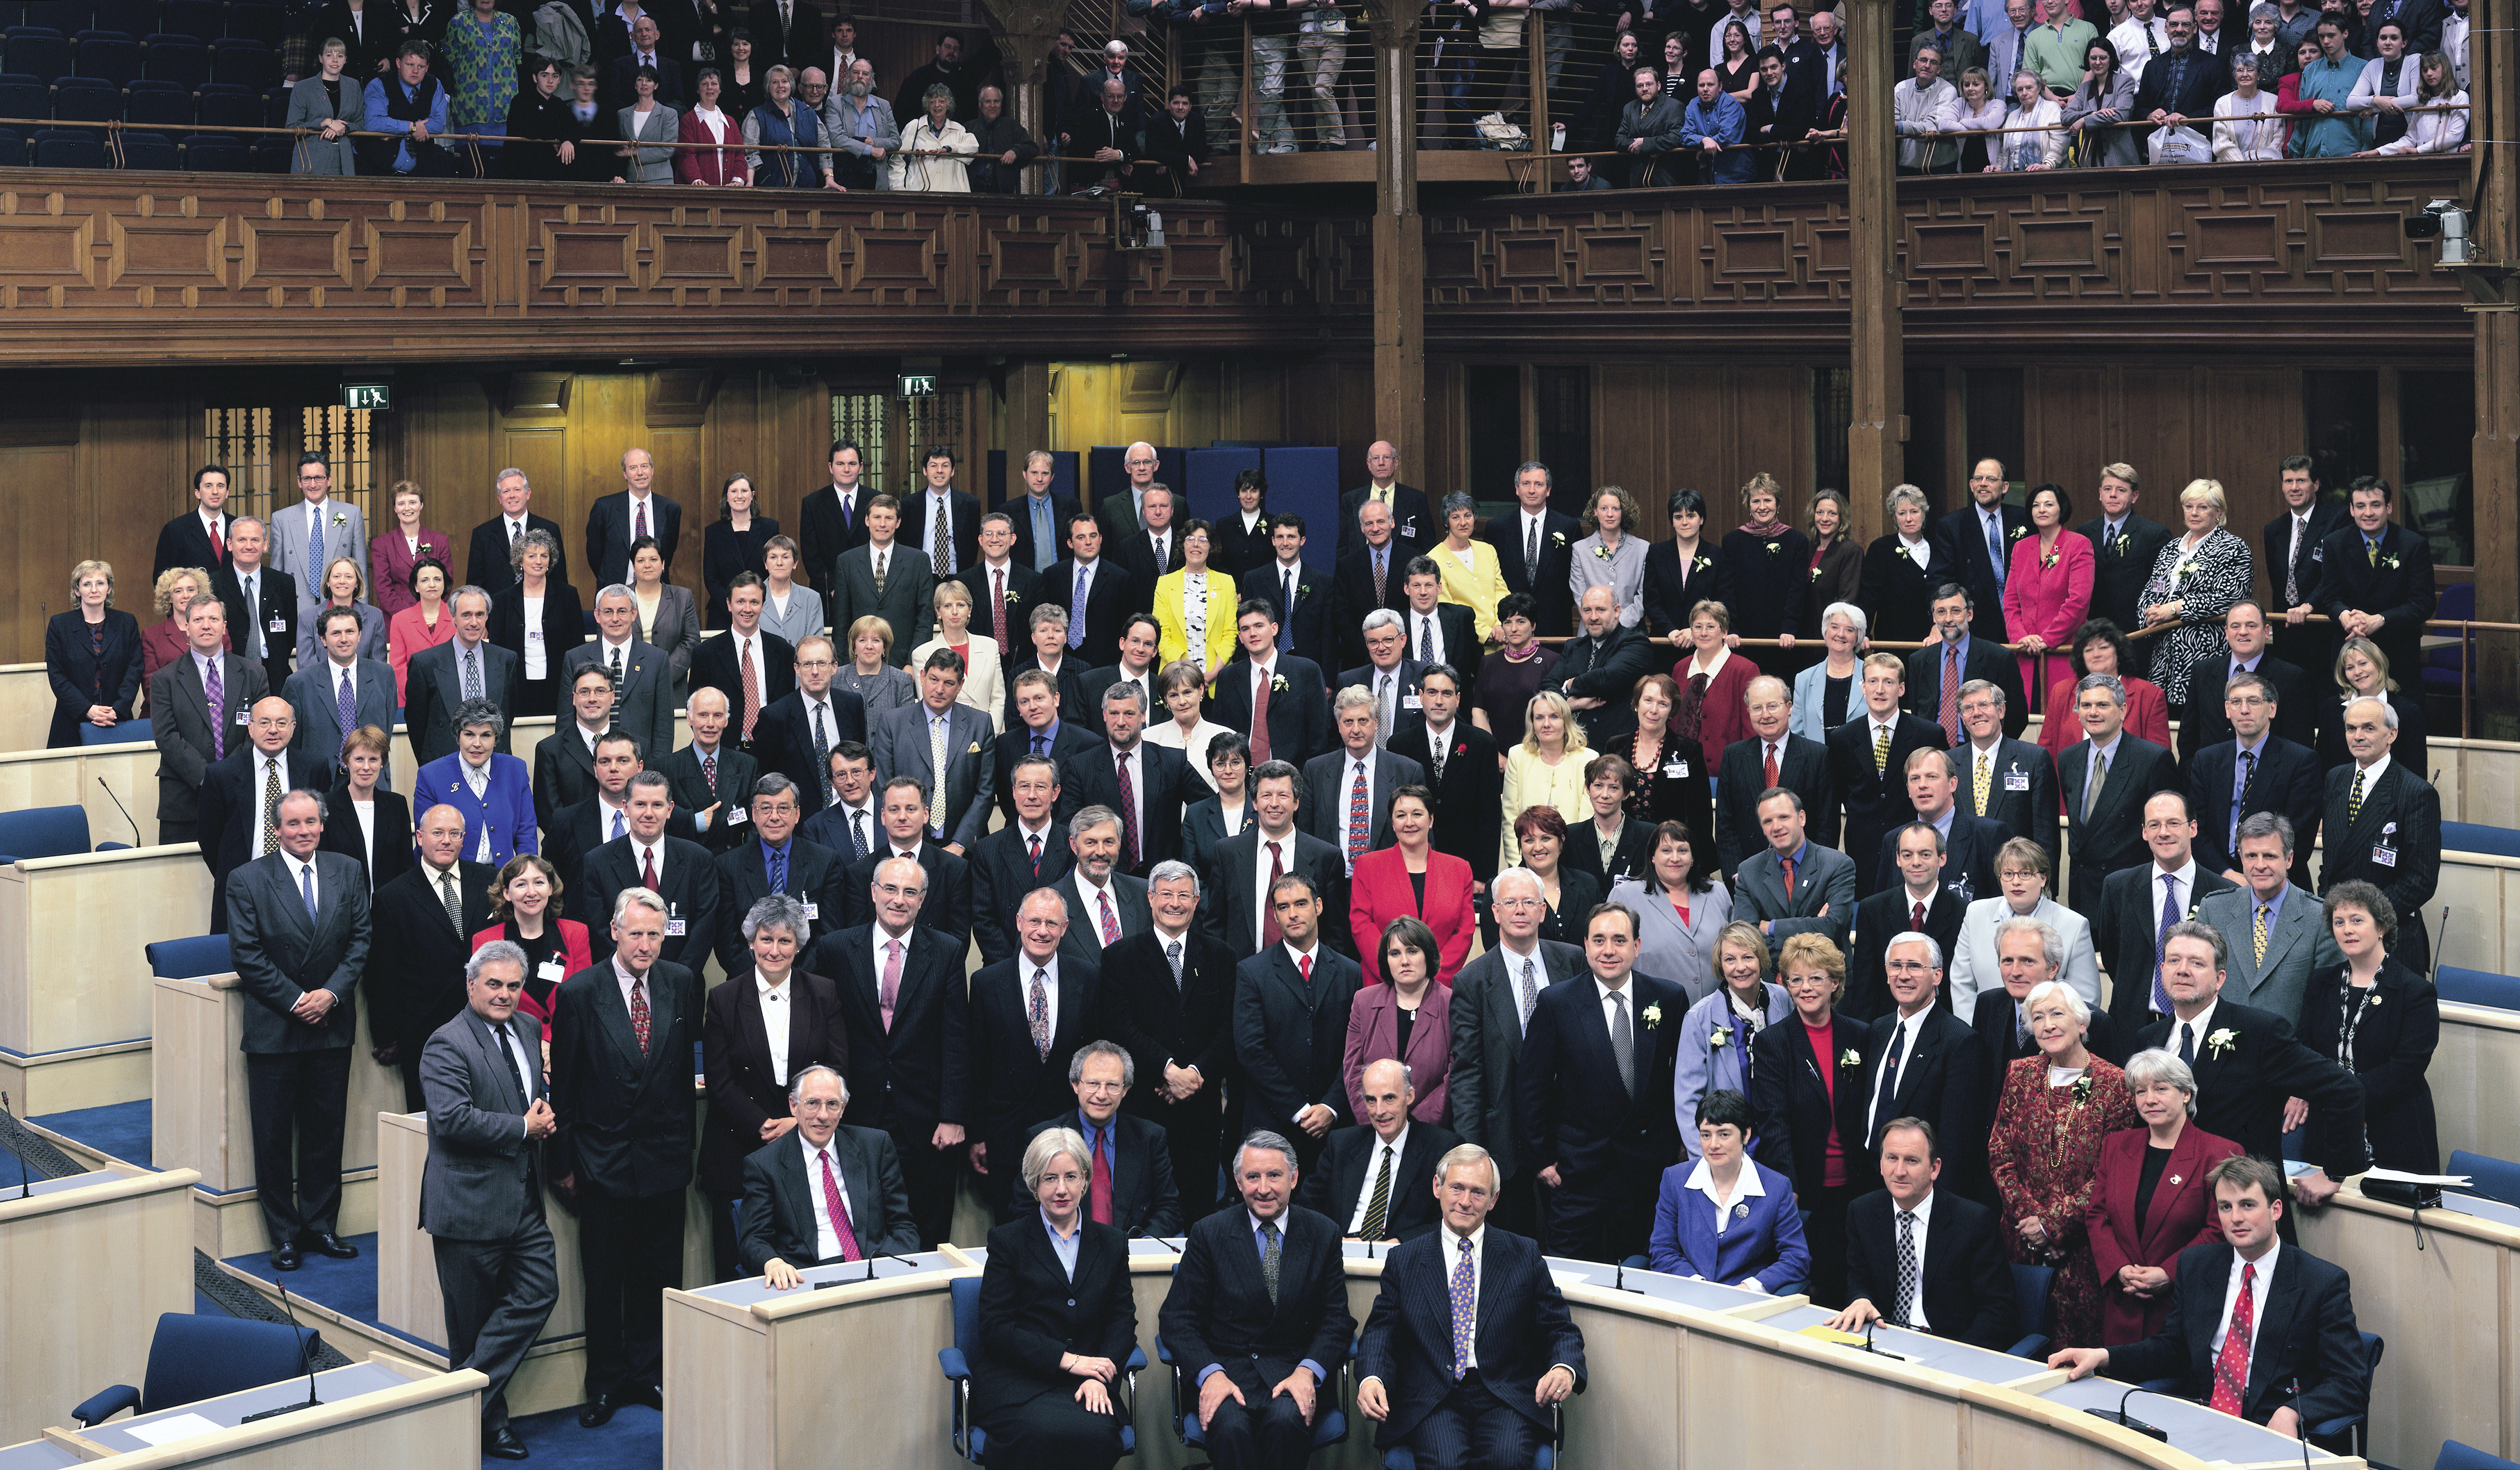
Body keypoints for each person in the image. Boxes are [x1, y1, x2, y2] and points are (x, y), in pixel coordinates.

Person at [2048, 1155, 2371, 1436]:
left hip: (2267, 1429)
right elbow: (2173, 1348)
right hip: (2199, 1421)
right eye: (2225, 1207)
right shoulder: (2198, 1265)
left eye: (2248, 1205)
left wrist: (2292, 1412)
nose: (2236, 1218)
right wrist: (2103, 1356)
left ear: (2276, 1210)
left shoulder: (2322, 1282)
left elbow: (2349, 1382)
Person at [551, 888, 702, 1423]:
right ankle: (606, 1383)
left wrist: (685, 1148)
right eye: (635, 932)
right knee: (606, 1278)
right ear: (613, 931)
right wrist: (564, 1166)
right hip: (602, 1161)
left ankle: (649, 1373)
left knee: (659, 1274)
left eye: (654, 934)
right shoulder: (579, 993)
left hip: (663, 1160)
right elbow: (564, 1090)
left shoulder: (683, 983)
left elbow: (683, 1076)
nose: (645, 943)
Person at [1354, 1142, 1585, 1466]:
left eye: (1478, 1192)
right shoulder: (1405, 1259)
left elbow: (1560, 1329)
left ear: (1493, 1201)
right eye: (1457, 1188)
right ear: (1438, 1187)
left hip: (1506, 1395)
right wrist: (1372, 1378)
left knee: (1508, 1459)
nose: (1465, 1201)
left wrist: (1564, 1368)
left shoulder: (1523, 1254)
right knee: (1446, 1464)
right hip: (1435, 1396)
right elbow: (1381, 1332)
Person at [418, 942, 560, 1462]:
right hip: (467, 1204)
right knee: (471, 1324)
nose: (505, 994)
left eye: (514, 985)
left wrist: (542, 1107)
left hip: (522, 1199)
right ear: (472, 985)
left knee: (540, 1290)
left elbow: (528, 1093)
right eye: (494, 984)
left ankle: (456, 1402)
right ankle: (486, 1424)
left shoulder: (526, 1028)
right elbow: (453, 1118)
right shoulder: (446, 1043)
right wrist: (525, 1126)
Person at [228, 788, 371, 1272]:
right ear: (277, 829)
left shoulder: (348, 870)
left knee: (325, 1133)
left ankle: (321, 1226)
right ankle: (284, 1235)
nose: (303, 830)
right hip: (276, 1028)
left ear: (322, 824)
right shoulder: (247, 879)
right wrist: (296, 1000)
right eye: (293, 823)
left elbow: (361, 940)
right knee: (272, 1138)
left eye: (311, 821)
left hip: (332, 1022)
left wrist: (330, 994)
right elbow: (247, 955)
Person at [1156, 1131, 1356, 1470]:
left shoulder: (1323, 1233)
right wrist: (1211, 1374)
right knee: (1232, 1428)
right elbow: (1178, 1319)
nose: (1263, 1188)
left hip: (1293, 1371)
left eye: (1274, 1175)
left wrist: (1309, 1372)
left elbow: (1336, 1319)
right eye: (1253, 1177)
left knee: (1284, 1423)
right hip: (1228, 1371)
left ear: (1294, 1177)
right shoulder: (1209, 1233)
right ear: (1237, 1180)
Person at [1519, 902, 1687, 1263]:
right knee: (1569, 1279)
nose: (1608, 950)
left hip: (1647, 1173)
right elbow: (1533, 1088)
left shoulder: (1669, 999)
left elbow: (1680, 1082)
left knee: (1644, 1277)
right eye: (1599, 940)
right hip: (1578, 1173)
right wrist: (1542, 1160)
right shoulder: (1557, 1002)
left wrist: (1676, 1148)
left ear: (1637, 947)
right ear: (1586, 945)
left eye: (1619, 940)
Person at [965, 1127, 1139, 1470]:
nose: (1062, 1190)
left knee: (1096, 1434)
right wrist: (1071, 1361)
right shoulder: (1007, 1241)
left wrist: (1098, 1376)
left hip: (1088, 1385)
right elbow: (996, 1328)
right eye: (1050, 1179)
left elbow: (1122, 1322)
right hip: (1017, 1384)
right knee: (1042, 1432)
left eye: (1071, 1177)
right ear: (1034, 1185)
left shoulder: (1113, 1242)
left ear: (1085, 1180)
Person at [1988, 980, 2139, 1345]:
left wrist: (2053, 1226)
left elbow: (2111, 1171)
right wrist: (2033, 1225)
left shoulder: (2115, 1083)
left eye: (2057, 1014)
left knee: (2076, 1350)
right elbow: (2000, 1153)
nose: (2048, 1024)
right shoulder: (2020, 1074)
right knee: (2020, 1339)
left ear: (2082, 1024)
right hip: (2022, 1239)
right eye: (2037, 1017)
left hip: (2082, 1245)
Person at [1449, 867, 1588, 1237]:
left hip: (1571, 1140)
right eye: (1510, 902)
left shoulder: (1573, 962)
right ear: (1494, 913)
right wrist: (1471, 1152)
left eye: (1529, 902)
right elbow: (1466, 1073)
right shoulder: (1472, 981)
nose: (1520, 910)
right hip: (1503, 1146)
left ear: (1544, 911)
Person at [1095, 860, 1234, 1221]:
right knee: (1143, 1213)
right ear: (1151, 898)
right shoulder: (1120, 957)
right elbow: (1119, 1028)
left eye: (1184, 895)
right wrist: (1168, 1070)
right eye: (1167, 895)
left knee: (1198, 1214)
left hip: (1201, 1111)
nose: (1175, 903)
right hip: (1144, 1107)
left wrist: (1195, 1074)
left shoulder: (1221, 956)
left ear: (1198, 900)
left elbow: (1230, 1028)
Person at [2085, 1048, 2242, 1342]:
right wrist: (2119, 1268)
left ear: (2186, 1094)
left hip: (2181, 1307)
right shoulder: (2116, 1146)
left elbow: (2220, 1228)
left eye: (2161, 1089)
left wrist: (2170, 1273)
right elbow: (2097, 1214)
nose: (2149, 1100)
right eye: (2140, 1091)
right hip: (2122, 1304)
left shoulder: (2221, 1153)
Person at [966, 889, 1105, 1220]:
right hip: (1005, 1139)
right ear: (1019, 923)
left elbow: (1096, 1057)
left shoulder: (1088, 978)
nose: (1042, 931)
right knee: (1011, 1231)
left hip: (1068, 1136)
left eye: (1051, 923)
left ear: (1065, 928)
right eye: (1034, 921)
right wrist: (977, 1136)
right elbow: (976, 1065)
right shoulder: (986, 982)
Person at [1746, 934, 1866, 1302]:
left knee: (1855, 1280)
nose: (1806, 988)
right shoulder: (1773, 1043)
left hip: (1858, 1186)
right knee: (1815, 1284)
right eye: (1796, 980)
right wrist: (1788, 1186)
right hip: (1805, 1188)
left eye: (1816, 978)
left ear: (1835, 982)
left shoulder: (1861, 1035)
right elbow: (1773, 1122)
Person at [1828, 1118, 2018, 1348]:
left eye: (1912, 1161)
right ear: (1880, 1164)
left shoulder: (1974, 1222)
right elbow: (1858, 1279)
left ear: (1934, 1168)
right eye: (1892, 1159)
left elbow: (1997, 1311)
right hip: (1882, 1341)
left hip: (1948, 1349)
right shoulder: (1862, 1212)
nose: (1899, 1171)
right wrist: (1861, 1299)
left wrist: (1957, 1357)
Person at [2299, 882, 2439, 1172]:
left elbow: (2407, 1067)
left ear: (2381, 928)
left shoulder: (2415, 991)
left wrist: (2343, 1095)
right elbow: (2305, 1047)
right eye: (2339, 922)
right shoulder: (2321, 982)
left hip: (2393, 1126)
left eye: (2357, 920)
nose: (2347, 929)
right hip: (2328, 1124)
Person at [736, 1064, 922, 1281]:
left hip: (874, 1270)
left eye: (832, 1104)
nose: (822, 1115)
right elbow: (753, 1240)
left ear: (843, 1108)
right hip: (806, 1278)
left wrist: (891, 1269)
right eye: (812, 1103)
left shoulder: (875, 1147)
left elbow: (903, 1225)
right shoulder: (764, 1164)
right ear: (793, 1106)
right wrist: (773, 1262)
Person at [1232, 874, 1364, 1175]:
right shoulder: (1252, 973)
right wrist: (1300, 1111)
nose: (1293, 914)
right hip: (1272, 1124)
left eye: (1301, 904)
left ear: (1318, 906)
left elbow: (1356, 1049)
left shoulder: (1349, 971)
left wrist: (1331, 1107)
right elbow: (1252, 1050)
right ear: (1275, 915)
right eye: (1283, 907)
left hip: (1334, 1127)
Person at [2095, 790, 2240, 1036]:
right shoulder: (2118, 887)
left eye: (2174, 823)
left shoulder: (2225, 893)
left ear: (2193, 828)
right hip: (2132, 1028)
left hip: (2202, 1030)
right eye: (2154, 825)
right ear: (2144, 832)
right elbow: (2113, 956)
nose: (2164, 832)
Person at [1007, 1041, 1183, 1236]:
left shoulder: (1150, 1137)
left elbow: (1169, 1209)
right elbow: (1023, 1211)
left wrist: (1141, 1247)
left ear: (1125, 1090)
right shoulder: (1042, 1136)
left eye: (1112, 1085)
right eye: (1093, 1084)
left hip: (1131, 1256)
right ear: (1075, 1085)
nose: (1101, 1095)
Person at [2319, 694, 2440, 974]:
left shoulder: (2416, 792)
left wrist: (2369, 918)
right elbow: (2331, 861)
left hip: (2391, 938)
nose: (2358, 736)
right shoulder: (2335, 778)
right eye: (2351, 728)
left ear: (2392, 734)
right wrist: (2335, 914)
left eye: (2369, 728)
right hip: (2338, 938)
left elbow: (2421, 879)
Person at [1649, 1088, 1812, 1289]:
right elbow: (1662, 1250)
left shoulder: (1777, 1187)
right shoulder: (1675, 1179)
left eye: (1724, 1134)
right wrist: (1697, 1285)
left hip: (1746, 1303)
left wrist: (1750, 1288)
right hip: (1688, 1296)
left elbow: (1797, 1258)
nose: (1713, 1145)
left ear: (1746, 1135)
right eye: (1706, 1135)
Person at [197, 697, 336, 929]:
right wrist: (237, 877)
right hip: (243, 889)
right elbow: (209, 839)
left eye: (282, 723)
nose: (273, 730)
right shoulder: (221, 775)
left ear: (293, 729)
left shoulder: (314, 768)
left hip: (303, 889)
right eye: (264, 723)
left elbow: (323, 830)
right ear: (250, 728)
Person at [1830, 652, 1952, 896]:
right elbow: (1838, 796)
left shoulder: (1928, 734)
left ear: (1902, 688)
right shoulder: (1841, 738)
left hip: (1915, 854)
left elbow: (1943, 795)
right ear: (1863, 688)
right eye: (1873, 682)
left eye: (1889, 682)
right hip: (1862, 856)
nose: (1880, 690)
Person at [2057, 674, 2179, 919]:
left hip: (2131, 894)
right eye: (2086, 705)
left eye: (2103, 705)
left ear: (2123, 710)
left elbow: (2169, 832)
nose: (2093, 713)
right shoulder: (2068, 758)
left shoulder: (2152, 759)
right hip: (2082, 895)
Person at [1302, 1057, 1462, 1241]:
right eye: (1371, 1100)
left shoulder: (1442, 1147)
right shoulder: (1342, 1144)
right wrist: (1336, 1240)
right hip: (1342, 1254)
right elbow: (1307, 1206)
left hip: (1406, 1256)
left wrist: (1401, 1243)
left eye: (1389, 1099)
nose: (1379, 1111)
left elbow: (1451, 1220)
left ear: (1409, 1096)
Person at [150, 596, 267, 844]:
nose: (206, 626)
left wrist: (228, 776)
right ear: (187, 628)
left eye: (214, 619)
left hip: (242, 796)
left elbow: (260, 731)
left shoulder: (254, 674)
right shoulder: (165, 679)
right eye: (199, 620)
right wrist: (209, 778)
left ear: (224, 627)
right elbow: (167, 737)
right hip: (185, 801)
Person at [1201, 759, 1345, 958]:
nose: (1274, 804)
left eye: (1283, 796)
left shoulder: (1326, 857)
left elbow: (1336, 934)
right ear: (1254, 802)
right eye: (1266, 795)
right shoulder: (1228, 853)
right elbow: (1215, 926)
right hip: (1243, 976)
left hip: (1307, 977)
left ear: (1296, 802)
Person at [1672, 921, 1792, 1157]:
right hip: (1726, 1149)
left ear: (1761, 959)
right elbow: (1687, 1102)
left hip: (1778, 1142)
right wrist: (1706, 1158)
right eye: (1730, 960)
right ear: (1720, 965)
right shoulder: (1699, 1018)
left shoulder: (1782, 998)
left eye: (1748, 957)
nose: (1740, 968)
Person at [1950, 840, 2104, 1013]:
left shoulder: (2074, 925)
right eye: (2008, 874)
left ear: (2043, 879)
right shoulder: (1976, 913)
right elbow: (1962, 983)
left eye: (2025, 874)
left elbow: (2085, 1000)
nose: (2016, 882)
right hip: (1984, 1032)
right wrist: (1975, 1035)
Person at [2136, 480, 2254, 703]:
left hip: (2205, 653)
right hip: (2164, 659)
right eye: (2189, 506)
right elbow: (2150, 590)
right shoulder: (2170, 548)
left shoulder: (2233, 548)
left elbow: (2231, 598)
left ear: (2218, 512)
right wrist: (2149, 612)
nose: (2194, 513)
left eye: (2203, 507)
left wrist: (2174, 609)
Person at [2315, 475, 2436, 691]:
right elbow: (2329, 597)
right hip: (2349, 650)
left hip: (2396, 651)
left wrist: (2381, 620)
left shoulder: (2413, 545)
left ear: (2389, 507)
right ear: (2352, 510)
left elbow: (2423, 602)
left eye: (2376, 505)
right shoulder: (2334, 543)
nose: (2368, 513)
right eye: (2361, 506)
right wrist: (2345, 616)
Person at [709, 775, 841, 971]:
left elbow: (829, 935)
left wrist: (797, 982)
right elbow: (727, 943)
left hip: (809, 985)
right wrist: (760, 981)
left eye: (783, 808)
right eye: (766, 808)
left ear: (797, 815)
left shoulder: (825, 862)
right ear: (754, 814)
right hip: (748, 984)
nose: (774, 817)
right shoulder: (728, 865)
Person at [1349, 788, 1475, 985]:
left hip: (1439, 986)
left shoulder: (1459, 869)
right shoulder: (1368, 866)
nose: (1409, 823)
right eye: (1401, 816)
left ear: (1431, 820)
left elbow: (1464, 932)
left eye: (1417, 814)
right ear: (1392, 823)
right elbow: (1361, 926)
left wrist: (1431, 978)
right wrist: (1394, 973)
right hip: (1383, 985)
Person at [1344, 918, 1456, 1121]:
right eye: (1395, 953)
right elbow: (1354, 1073)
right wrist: (1378, 1120)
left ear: (1428, 955)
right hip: (1375, 1127)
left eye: (1412, 951)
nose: (1404, 961)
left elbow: (1454, 1075)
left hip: (1432, 1131)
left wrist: (1414, 1127)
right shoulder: (1364, 1002)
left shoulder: (1451, 1004)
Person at [1611, 820, 1732, 1005]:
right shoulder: (1626, 896)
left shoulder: (1718, 893)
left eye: (1683, 850)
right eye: (1666, 851)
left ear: (1693, 857)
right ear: (1652, 856)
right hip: (1653, 1014)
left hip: (1715, 1014)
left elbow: (1739, 949)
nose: (1675, 858)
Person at [470, 851, 591, 1034]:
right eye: (521, 884)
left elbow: (584, 999)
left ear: (551, 888)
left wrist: (551, 1043)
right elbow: (486, 1006)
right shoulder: (485, 941)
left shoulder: (576, 934)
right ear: (506, 893)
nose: (531, 892)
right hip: (513, 1044)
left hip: (567, 1042)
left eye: (539, 883)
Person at [1210, 596, 1333, 773]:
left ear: (1274, 629)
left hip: (1292, 777)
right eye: (1246, 629)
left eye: (1259, 626)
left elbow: (1318, 736)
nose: (1252, 633)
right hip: (1240, 778)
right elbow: (1221, 736)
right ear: (1241, 638)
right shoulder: (1228, 678)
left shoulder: (1306, 671)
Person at [562, 585, 676, 770]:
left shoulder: (657, 659)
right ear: (597, 616)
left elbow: (664, 727)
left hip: (640, 769)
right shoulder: (575, 658)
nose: (615, 619)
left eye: (622, 611)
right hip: (585, 766)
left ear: (634, 614)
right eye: (608, 612)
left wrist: (654, 771)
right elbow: (566, 720)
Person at [2000, 484, 2093, 702]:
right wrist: (2021, 637)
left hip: (2063, 653)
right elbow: (2011, 602)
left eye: (2049, 504)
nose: (2042, 509)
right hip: (2025, 653)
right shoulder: (2021, 548)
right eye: (2036, 505)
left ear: (2062, 509)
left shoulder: (2079, 545)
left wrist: (2047, 640)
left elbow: (2078, 602)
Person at [2039, 620, 2173, 763]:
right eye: (2089, 650)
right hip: (2072, 785)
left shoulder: (2149, 695)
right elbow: (2046, 752)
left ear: (2119, 651)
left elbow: (2160, 759)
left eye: (2103, 647)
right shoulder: (2061, 692)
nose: (2096, 655)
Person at [45, 559, 142, 747]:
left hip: (117, 721)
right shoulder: (60, 625)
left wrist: (118, 709)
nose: (94, 589)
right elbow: (57, 676)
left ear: (110, 588)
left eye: (100, 583)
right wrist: (87, 710)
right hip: (71, 724)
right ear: (77, 590)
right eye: (87, 584)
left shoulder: (127, 623)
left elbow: (135, 669)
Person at [1551, 585, 1660, 751]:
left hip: (1614, 750)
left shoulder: (1637, 644)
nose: (1593, 617)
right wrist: (1572, 705)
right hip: (1568, 748)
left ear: (1617, 611)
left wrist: (1569, 685)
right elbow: (1547, 687)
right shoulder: (1573, 646)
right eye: (1587, 611)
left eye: (1601, 610)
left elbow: (1605, 678)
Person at [1500, 691, 1594, 872]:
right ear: (1532, 723)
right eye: (1539, 718)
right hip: (1525, 862)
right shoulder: (1518, 756)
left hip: (1573, 863)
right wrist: (1519, 867)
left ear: (1566, 721)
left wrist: (1569, 867)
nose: (1547, 724)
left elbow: (1586, 822)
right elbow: (1510, 816)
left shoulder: (1588, 759)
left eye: (1554, 717)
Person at [2314, 634, 2427, 777]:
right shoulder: (2332, 708)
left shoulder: (2408, 712)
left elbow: (2416, 773)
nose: (2358, 672)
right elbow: (2323, 764)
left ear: (2379, 663)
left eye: (2363, 664)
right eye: (2350, 668)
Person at [318, 721, 410, 893]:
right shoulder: (326, 805)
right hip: (343, 907)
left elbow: (406, 866)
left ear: (383, 763)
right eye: (359, 759)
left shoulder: (397, 805)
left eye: (374, 759)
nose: (366, 767)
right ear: (346, 762)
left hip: (389, 909)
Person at [216, 516, 299, 697]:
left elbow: (291, 633)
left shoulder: (284, 583)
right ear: (230, 544)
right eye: (242, 540)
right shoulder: (214, 584)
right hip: (230, 673)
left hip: (275, 675)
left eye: (255, 540)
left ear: (265, 544)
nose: (249, 546)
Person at [1471, 596, 1560, 751]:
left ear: (1533, 625)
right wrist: (1493, 753)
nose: (1514, 629)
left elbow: (1556, 713)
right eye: (1508, 622)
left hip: (1538, 752)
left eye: (1521, 621)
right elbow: (1479, 711)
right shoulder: (1489, 662)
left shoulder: (1551, 660)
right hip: (1496, 754)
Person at [1155, 522, 1239, 684]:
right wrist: (1187, 673)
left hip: (1218, 679)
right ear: (1182, 545)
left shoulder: (1226, 582)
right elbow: (1161, 634)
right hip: (1176, 679)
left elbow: (1231, 633)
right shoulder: (1165, 584)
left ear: (1211, 547)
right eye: (1190, 539)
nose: (1196, 545)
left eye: (1203, 540)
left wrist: (1213, 673)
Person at [1510, 806, 1601, 948]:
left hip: (1582, 970)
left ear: (1561, 841)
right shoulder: (1504, 889)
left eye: (1546, 838)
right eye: (1529, 840)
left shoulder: (1588, 885)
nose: (1538, 847)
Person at [467, 467, 568, 594]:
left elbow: (559, 578)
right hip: (497, 610)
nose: (512, 496)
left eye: (517, 490)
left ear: (528, 494)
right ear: (500, 498)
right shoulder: (482, 535)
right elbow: (475, 586)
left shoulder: (550, 529)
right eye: (506, 491)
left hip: (541, 607)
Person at [627, 536, 702, 706]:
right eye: (641, 560)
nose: (648, 565)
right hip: (629, 687)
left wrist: (662, 674)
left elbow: (691, 642)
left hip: (672, 688)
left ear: (663, 564)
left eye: (654, 559)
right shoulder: (620, 598)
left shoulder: (683, 597)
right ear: (633, 566)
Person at [701, 474, 777, 627]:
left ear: (752, 495)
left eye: (744, 491)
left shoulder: (770, 528)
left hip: (762, 612)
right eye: (734, 491)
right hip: (723, 612)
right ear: (727, 497)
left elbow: (774, 571)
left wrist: (757, 603)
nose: (739, 496)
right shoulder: (714, 532)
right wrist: (732, 606)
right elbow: (711, 577)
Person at [1150, 661, 1234, 792]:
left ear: (1201, 690)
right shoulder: (1148, 738)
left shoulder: (1228, 737)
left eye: (1188, 692)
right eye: (1174, 695)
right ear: (1165, 699)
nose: (1182, 701)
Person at [293, 556, 388, 670]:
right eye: (337, 576)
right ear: (328, 582)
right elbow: (306, 667)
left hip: (363, 686)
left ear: (357, 583)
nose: (342, 581)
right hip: (320, 686)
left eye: (349, 577)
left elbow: (378, 667)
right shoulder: (308, 618)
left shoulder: (375, 616)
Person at [2365, 48, 2465, 151]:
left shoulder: (2460, 97)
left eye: (2434, 68)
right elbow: (2411, 139)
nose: (2429, 74)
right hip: (2422, 162)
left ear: (2446, 69)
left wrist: (2419, 151)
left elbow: (2454, 137)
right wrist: (2378, 152)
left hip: (2449, 161)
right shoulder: (2423, 101)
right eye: (2425, 70)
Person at [388, 558, 456, 706]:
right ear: (416, 587)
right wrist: (416, 695)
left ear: (445, 584)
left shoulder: (457, 618)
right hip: (411, 701)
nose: (432, 585)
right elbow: (398, 666)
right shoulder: (400, 620)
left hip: (452, 700)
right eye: (425, 580)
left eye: (437, 579)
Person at [2063, 36, 2142, 161]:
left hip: (2121, 160)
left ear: (2111, 59)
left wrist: (2085, 121)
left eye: (2103, 58)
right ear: (2088, 60)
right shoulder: (2084, 88)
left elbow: (2122, 115)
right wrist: (2091, 114)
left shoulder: (2124, 82)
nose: (2098, 63)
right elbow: (2065, 117)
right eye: (2093, 58)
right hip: (2090, 161)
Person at [155, 465, 235, 583]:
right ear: (197, 493)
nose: (215, 491)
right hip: (193, 600)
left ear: (227, 493)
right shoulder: (176, 529)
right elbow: (162, 578)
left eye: (220, 486)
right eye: (208, 486)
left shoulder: (237, 527)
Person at [889, 81, 975, 188]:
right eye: (932, 102)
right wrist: (899, 189)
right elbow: (897, 161)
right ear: (927, 105)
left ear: (948, 105)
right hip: (920, 195)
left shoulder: (958, 129)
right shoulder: (915, 126)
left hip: (952, 197)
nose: (937, 105)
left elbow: (974, 147)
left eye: (942, 101)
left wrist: (949, 149)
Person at [1895, 45, 1962, 171]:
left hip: (1940, 165)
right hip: (1906, 164)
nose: (1927, 66)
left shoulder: (1948, 91)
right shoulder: (1901, 88)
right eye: (1924, 60)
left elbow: (1932, 127)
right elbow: (1892, 123)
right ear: (1915, 64)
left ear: (1939, 69)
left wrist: (1901, 127)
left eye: (1934, 62)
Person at [2213, 48, 2288, 152]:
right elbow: (2221, 144)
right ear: (2235, 75)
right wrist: (2242, 166)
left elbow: (2279, 138)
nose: (2245, 75)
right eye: (2240, 70)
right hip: (2232, 167)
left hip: (2266, 166)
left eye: (2250, 70)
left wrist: (2262, 162)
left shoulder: (2273, 101)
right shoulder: (2222, 104)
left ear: (2259, 75)